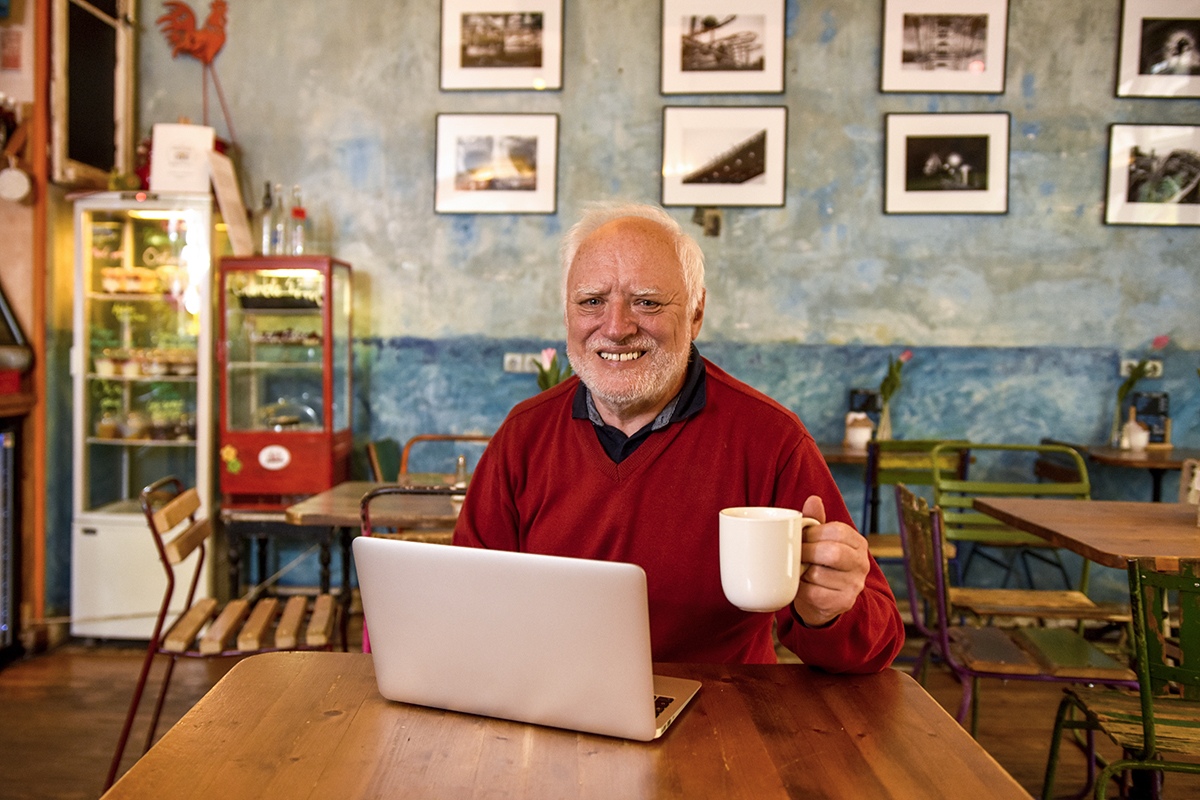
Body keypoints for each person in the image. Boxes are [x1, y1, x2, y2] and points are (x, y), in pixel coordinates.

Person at [454, 201, 904, 672]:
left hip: (719, 723)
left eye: (646, 301)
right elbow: (467, 602)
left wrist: (828, 614)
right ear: (568, 313)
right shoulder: (524, 435)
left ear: (695, 312)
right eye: (591, 301)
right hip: (554, 712)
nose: (616, 327)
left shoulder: (771, 440)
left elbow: (877, 645)